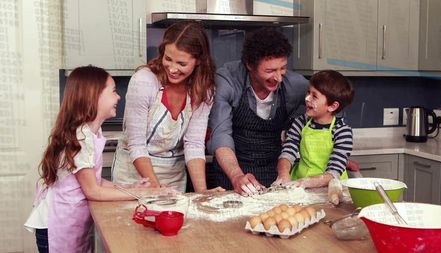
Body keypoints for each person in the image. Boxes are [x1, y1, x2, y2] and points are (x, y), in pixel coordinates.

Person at [24, 66, 156, 253]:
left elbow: (94, 180)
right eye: (113, 91)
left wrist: (131, 188)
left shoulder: (91, 133)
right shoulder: (81, 137)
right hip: (56, 225)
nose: (118, 97)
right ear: (94, 96)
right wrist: (143, 195)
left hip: (68, 221)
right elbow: (93, 191)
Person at [111, 21, 224, 193]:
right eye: (168, 59)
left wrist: (202, 193)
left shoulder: (204, 90)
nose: (172, 69)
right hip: (133, 177)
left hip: (173, 177)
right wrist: (157, 189)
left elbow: (194, 144)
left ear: (199, 61)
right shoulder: (144, 81)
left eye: (182, 63)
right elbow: (137, 145)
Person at [207, 28, 309, 196]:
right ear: (249, 65)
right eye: (269, 71)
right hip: (231, 173)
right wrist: (236, 176)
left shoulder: (296, 86)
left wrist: (337, 152)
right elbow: (220, 134)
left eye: (282, 68)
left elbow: (329, 109)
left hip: (274, 172)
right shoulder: (228, 81)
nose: (278, 78)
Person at [276, 70, 354, 188]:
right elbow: (288, 152)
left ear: (332, 106)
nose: (307, 98)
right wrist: (283, 174)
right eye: (308, 92)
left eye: (314, 96)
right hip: (299, 184)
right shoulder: (301, 122)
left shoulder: (342, 132)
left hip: (330, 189)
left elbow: (334, 172)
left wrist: (305, 183)